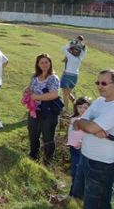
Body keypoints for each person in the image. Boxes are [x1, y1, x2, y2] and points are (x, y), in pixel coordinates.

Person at [71, 69, 114, 208]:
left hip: (101, 165)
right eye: (97, 82)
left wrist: (90, 126)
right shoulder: (100, 101)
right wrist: (93, 129)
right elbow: (78, 123)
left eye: (104, 83)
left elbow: (86, 126)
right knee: (80, 198)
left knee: (96, 205)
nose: (99, 86)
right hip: (85, 157)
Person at [25, 53, 61, 164]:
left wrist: (36, 97)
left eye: (47, 62)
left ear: (50, 63)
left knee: (48, 137)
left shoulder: (53, 78)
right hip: (35, 111)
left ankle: (47, 162)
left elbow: (54, 94)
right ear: (38, 64)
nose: (45, 64)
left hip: (49, 113)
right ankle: (33, 157)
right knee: (33, 134)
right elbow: (30, 88)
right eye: (42, 62)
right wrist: (27, 92)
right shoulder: (35, 77)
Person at [67, 97, 91, 196]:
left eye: (85, 107)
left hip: (82, 149)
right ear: (76, 107)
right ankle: (74, 192)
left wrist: (81, 142)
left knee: (79, 171)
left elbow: (89, 135)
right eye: (80, 107)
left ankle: (77, 193)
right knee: (74, 171)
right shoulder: (73, 119)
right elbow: (71, 133)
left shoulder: (89, 121)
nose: (82, 109)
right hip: (73, 149)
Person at [61, 40, 88, 114]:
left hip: (67, 76)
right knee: (68, 93)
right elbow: (84, 51)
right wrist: (82, 46)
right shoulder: (80, 58)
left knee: (65, 94)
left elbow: (63, 48)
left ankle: (66, 110)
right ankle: (76, 104)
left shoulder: (70, 56)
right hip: (75, 77)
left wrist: (72, 43)